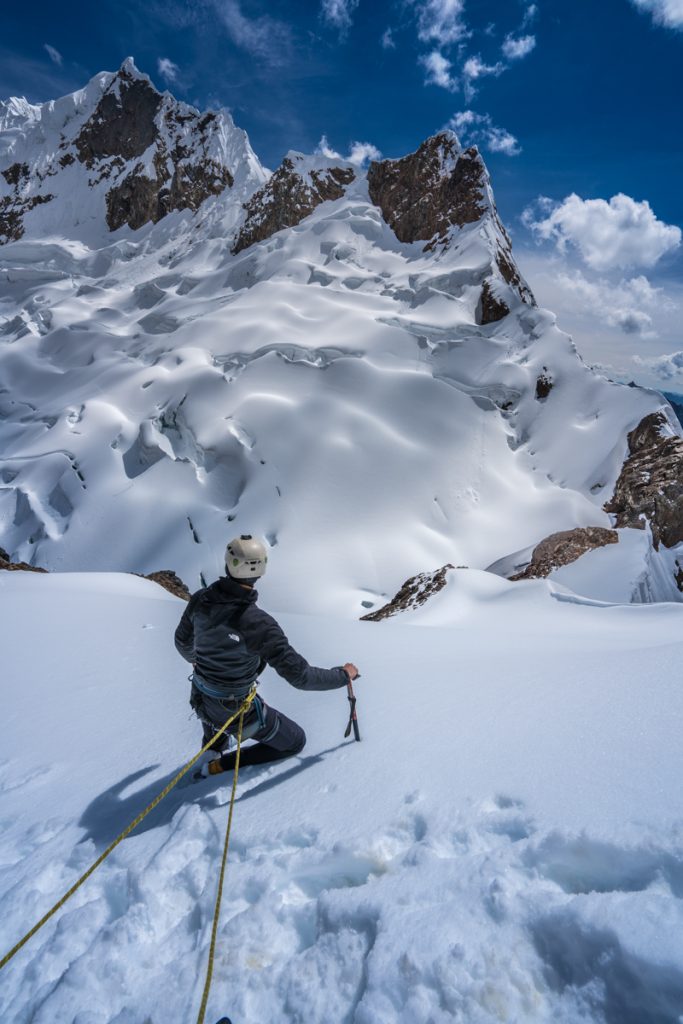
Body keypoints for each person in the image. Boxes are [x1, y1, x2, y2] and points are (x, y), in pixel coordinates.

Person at [174, 534, 359, 780]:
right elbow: (300, 677)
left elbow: (182, 641)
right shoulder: (258, 624)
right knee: (295, 741)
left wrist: (198, 661)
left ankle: (213, 749)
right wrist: (343, 676)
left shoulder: (201, 599)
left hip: (201, 694)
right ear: (261, 569)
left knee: (217, 713)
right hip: (233, 705)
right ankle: (218, 766)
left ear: (229, 563)